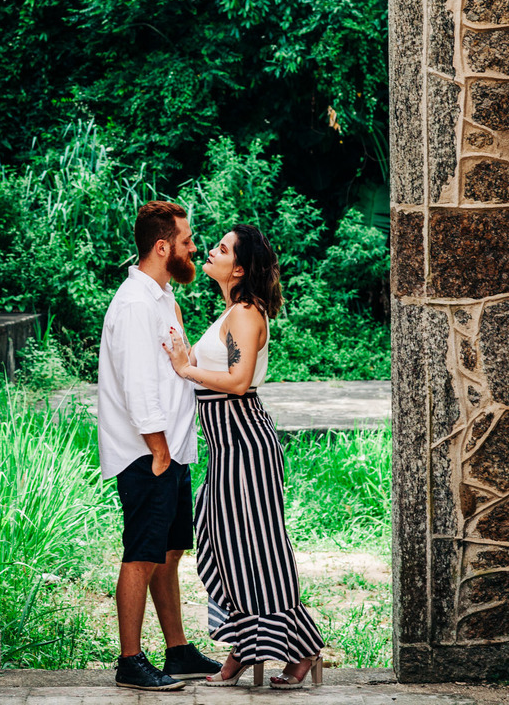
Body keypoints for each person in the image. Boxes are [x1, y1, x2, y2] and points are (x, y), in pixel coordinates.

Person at [162, 224, 325, 689]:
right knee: (227, 545)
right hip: (228, 447)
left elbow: (237, 381)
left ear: (238, 267)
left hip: (246, 444)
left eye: (221, 248)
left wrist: (184, 367)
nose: (210, 251)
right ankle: (255, 644)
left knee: (258, 549)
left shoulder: (246, 314)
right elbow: (206, 364)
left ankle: (292, 649)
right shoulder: (230, 312)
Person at [97, 201, 224, 691]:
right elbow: (137, 386)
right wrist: (158, 449)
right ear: (163, 246)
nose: (194, 248)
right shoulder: (132, 305)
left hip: (170, 449)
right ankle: (130, 661)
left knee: (169, 552)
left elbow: (176, 367)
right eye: (188, 241)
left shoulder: (160, 297)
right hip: (147, 453)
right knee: (142, 554)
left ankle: (178, 651)